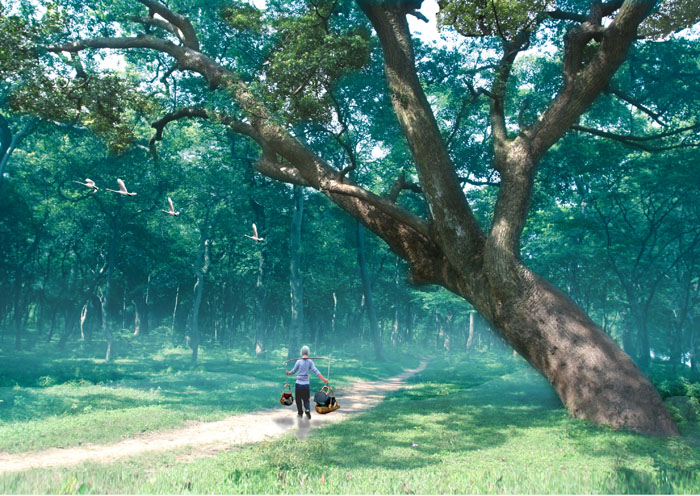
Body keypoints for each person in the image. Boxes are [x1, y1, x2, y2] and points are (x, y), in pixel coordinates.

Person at [286, 345, 328, 419]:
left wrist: (288, 373)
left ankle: (300, 413)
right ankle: (307, 410)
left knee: (298, 399)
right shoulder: (310, 362)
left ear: (301, 352)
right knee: (306, 399)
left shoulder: (298, 361)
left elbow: (293, 371)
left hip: (298, 384)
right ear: (308, 352)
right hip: (306, 385)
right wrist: (324, 379)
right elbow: (316, 371)